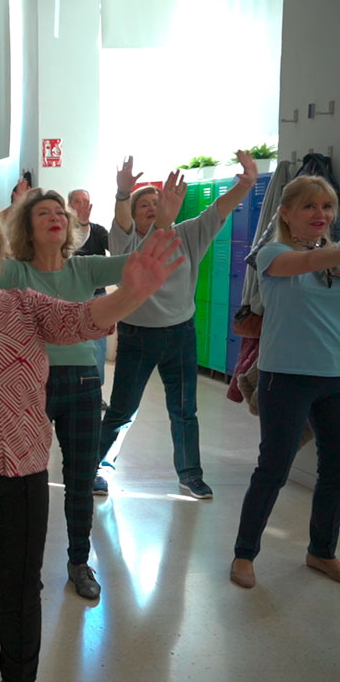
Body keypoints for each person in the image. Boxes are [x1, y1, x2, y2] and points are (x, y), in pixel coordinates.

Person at [0, 194, 183, 682]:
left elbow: (81, 319)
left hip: (21, 471)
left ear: (2, 246)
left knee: (22, 589)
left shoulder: (24, 305)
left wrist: (130, 295)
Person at [0, 188, 129, 601]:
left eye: (60, 212)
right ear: (27, 226)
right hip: (29, 384)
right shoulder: (14, 272)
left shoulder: (86, 269)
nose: (55, 217)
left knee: (79, 480)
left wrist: (155, 221)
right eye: (43, 213)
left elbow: (142, 264)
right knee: (15, 479)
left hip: (82, 386)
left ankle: (79, 561)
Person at [97, 152, 258, 499]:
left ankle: (190, 474)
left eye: (158, 201)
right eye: (145, 205)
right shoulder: (126, 242)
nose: (153, 207)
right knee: (123, 409)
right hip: (138, 336)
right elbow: (122, 220)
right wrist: (123, 193)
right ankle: (99, 469)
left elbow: (219, 209)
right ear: (134, 215)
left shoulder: (187, 235)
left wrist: (245, 184)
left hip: (180, 335)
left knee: (184, 411)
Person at [231, 175, 340, 588]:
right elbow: (310, 263)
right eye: (310, 206)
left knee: (336, 469)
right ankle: (244, 554)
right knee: (273, 468)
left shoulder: (331, 256)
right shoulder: (272, 252)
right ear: (286, 212)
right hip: (287, 377)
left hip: (335, 376)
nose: (321, 214)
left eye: (327, 207)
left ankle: (321, 551)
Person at [69, 188, 111, 391]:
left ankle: (95, 390)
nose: (82, 205)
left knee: (99, 347)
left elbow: (118, 249)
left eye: (85, 201)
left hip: (97, 298)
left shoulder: (99, 231)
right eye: (77, 201)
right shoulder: (63, 232)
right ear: (70, 206)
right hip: (71, 298)